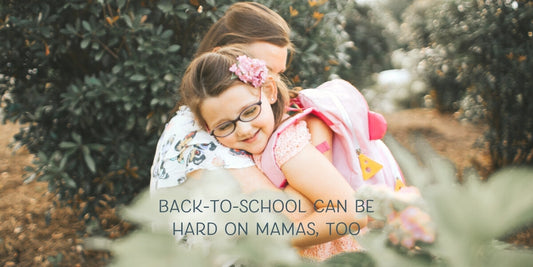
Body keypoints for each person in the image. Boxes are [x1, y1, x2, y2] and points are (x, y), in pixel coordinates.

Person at [150, 2, 364, 261]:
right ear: (222, 57)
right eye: (262, 68)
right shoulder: (197, 137)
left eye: (277, 72)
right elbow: (292, 217)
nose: (270, 82)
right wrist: (320, 148)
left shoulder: (229, 126)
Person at [180, 46, 368, 254]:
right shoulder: (249, 146)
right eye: (224, 126)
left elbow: (352, 212)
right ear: (207, 128)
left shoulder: (286, 146)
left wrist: (277, 239)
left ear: (269, 91)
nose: (243, 130)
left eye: (250, 111)